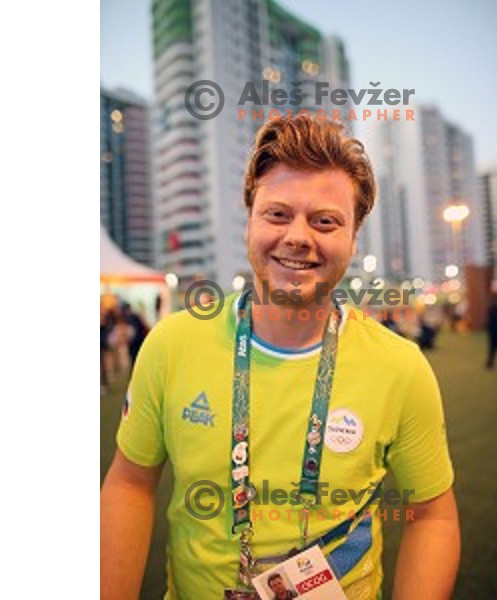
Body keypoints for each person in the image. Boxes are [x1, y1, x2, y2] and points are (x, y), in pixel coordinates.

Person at [101, 116, 460, 599]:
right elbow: (129, 485)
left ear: (354, 238)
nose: (298, 236)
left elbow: (432, 516)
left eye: (325, 221)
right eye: (277, 214)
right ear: (249, 219)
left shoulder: (402, 367)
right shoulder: (172, 344)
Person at [486, 293, 497, 368]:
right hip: (496, 332)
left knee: (492, 348)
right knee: (493, 348)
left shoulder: (493, 307)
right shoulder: (495, 308)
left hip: (494, 331)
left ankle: (490, 363)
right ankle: (490, 363)